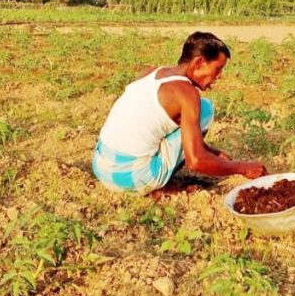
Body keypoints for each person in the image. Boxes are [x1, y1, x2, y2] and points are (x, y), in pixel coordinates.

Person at [92, 31, 268, 195]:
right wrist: (242, 167)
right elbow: (196, 161)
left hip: (102, 167)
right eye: (218, 69)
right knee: (205, 109)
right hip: (131, 179)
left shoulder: (152, 72)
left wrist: (213, 153)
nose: (219, 76)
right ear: (199, 63)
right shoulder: (186, 92)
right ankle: (159, 184)